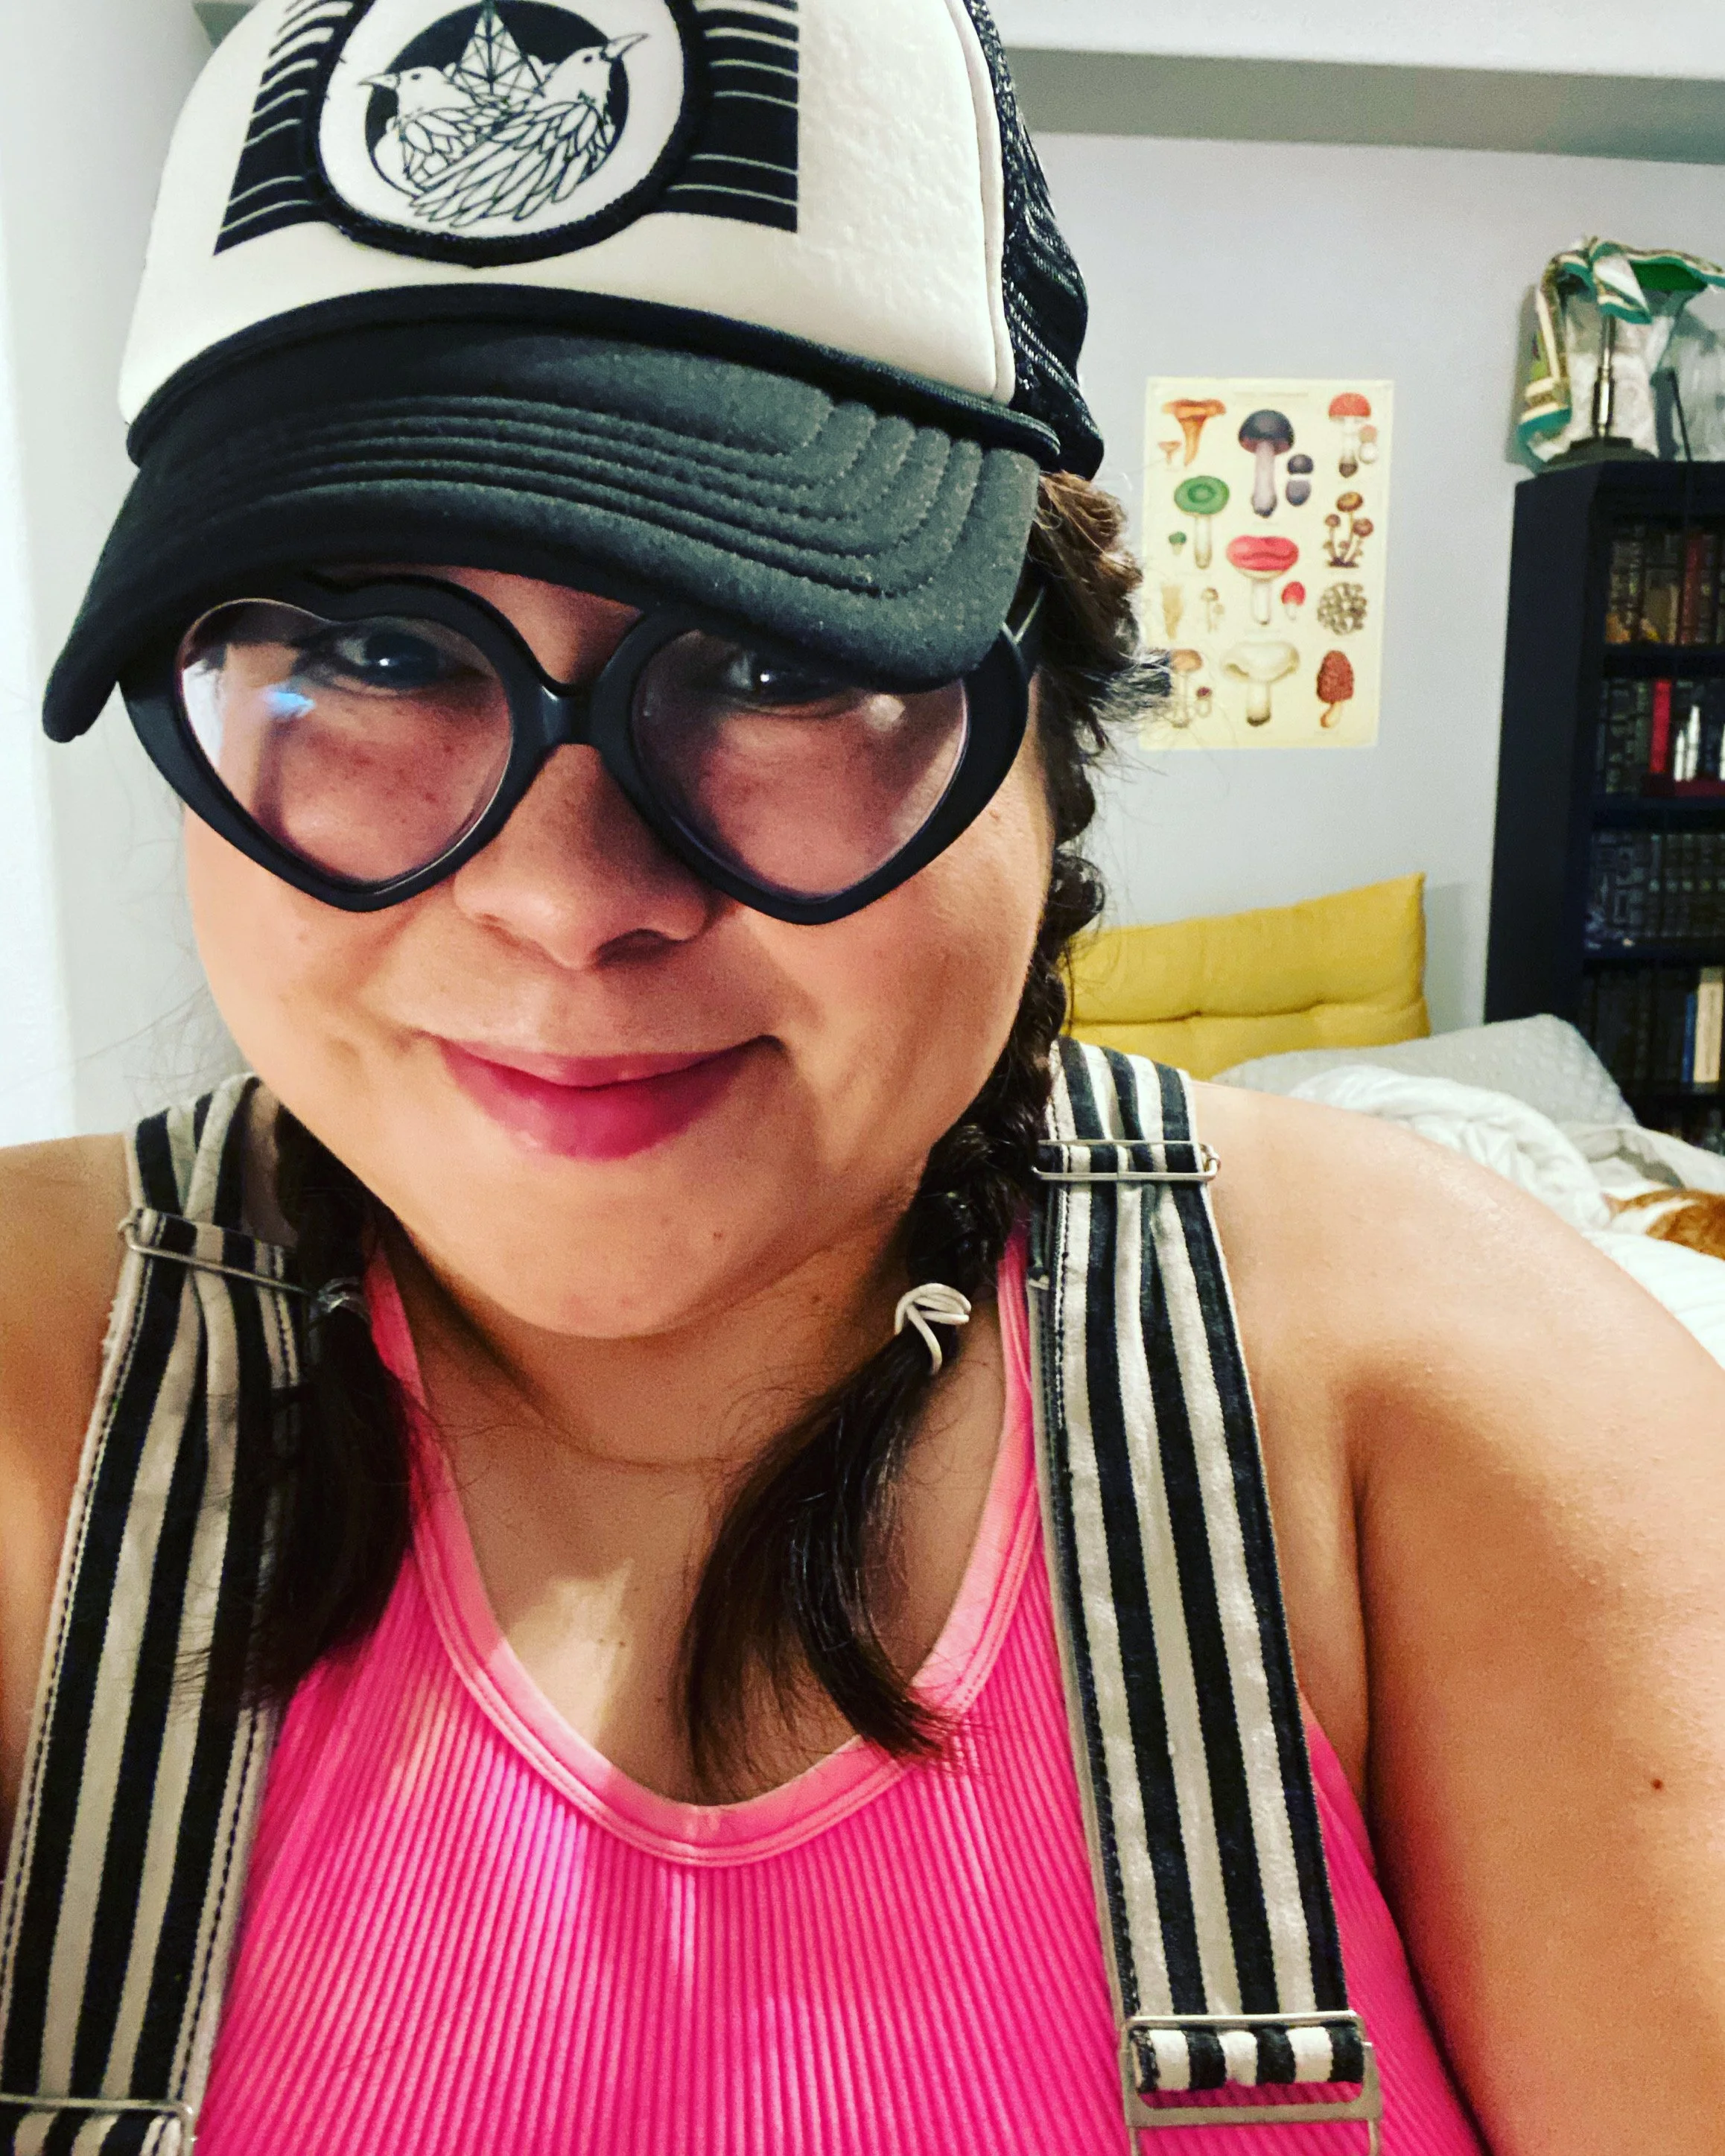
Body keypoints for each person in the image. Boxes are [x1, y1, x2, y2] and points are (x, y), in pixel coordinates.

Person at [2, 3, 1724, 2150]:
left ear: (1050, 737)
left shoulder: (1446, 1402)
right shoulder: (29, 1405)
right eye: (366, 650)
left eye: (771, 653)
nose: (562, 897)